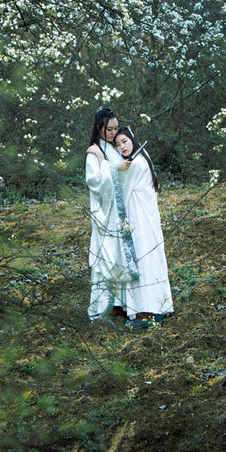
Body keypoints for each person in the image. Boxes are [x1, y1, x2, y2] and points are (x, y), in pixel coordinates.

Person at [114, 125, 174, 326]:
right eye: (117, 144)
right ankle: (157, 305)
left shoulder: (136, 164)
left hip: (140, 220)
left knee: (142, 260)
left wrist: (112, 169)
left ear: (132, 139)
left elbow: (120, 190)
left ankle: (146, 310)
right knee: (150, 259)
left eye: (124, 141)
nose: (122, 147)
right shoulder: (141, 158)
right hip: (146, 219)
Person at [85, 106, 138, 322]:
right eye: (110, 129)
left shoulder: (113, 148)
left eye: (116, 129)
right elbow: (94, 181)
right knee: (106, 255)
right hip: (105, 212)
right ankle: (102, 306)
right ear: (99, 128)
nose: (114, 133)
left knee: (119, 254)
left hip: (119, 210)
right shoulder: (94, 152)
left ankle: (120, 303)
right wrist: (115, 169)